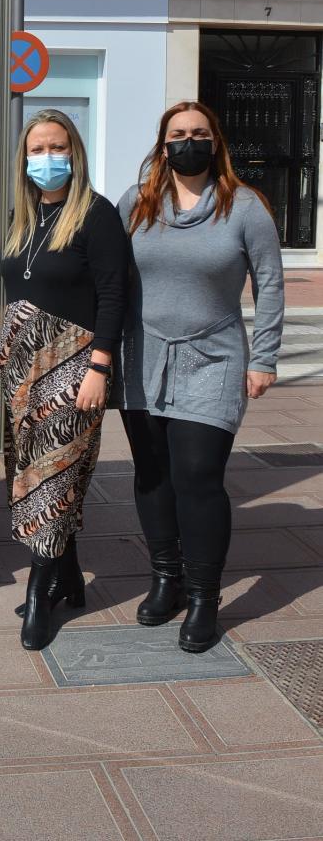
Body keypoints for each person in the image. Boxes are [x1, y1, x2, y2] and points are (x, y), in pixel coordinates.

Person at [118, 101, 284, 652]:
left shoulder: (244, 208)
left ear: (216, 142)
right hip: (142, 357)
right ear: (162, 146)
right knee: (152, 474)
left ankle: (204, 597)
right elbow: (107, 273)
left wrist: (263, 357)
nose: (188, 142)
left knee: (197, 475)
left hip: (212, 359)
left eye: (199, 134)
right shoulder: (138, 204)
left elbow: (270, 282)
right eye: (178, 135)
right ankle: (165, 578)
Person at [1, 108, 127, 650]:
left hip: (73, 369)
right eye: (36, 150)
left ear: (74, 153)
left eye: (56, 148)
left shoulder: (95, 215)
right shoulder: (22, 217)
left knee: (51, 478)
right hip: (21, 371)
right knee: (31, 472)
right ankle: (69, 577)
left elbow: (114, 294)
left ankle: (38, 595)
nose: (46, 159)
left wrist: (101, 365)